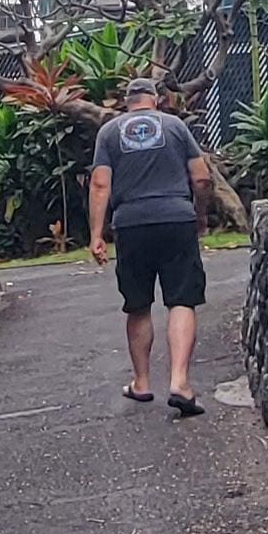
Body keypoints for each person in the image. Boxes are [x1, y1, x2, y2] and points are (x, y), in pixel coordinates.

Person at [87, 78, 219, 417]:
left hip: (131, 223)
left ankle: (142, 383)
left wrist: (96, 234)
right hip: (176, 219)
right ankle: (179, 382)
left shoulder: (109, 132)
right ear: (156, 101)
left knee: (138, 304)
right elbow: (201, 177)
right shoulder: (175, 126)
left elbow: (100, 184)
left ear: (127, 103)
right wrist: (200, 213)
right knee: (181, 299)